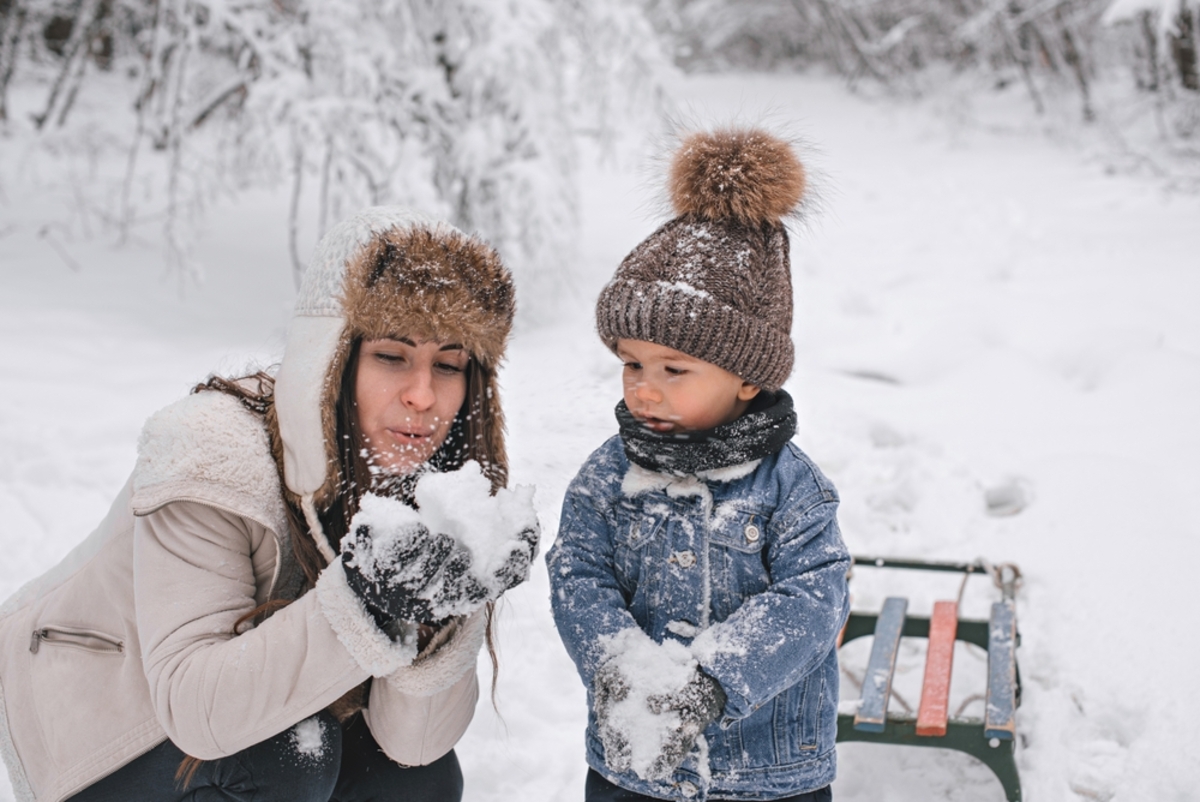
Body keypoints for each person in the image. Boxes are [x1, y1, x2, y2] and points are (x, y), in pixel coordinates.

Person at [0, 206, 538, 802]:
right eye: (391, 356)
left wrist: (443, 607)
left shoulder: (422, 481)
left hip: (243, 724)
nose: (422, 395)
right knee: (286, 758)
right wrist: (365, 599)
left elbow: (413, 746)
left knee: (421, 780)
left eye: (449, 365)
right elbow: (196, 710)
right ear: (332, 357)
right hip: (102, 734)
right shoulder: (212, 452)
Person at [547, 128, 851, 802]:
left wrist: (712, 682)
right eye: (632, 364)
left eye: (673, 370)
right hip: (636, 767)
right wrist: (618, 667)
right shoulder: (607, 476)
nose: (644, 389)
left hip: (768, 775)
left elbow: (814, 598)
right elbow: (577, 572)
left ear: (747, 378)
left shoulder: (790, 488)